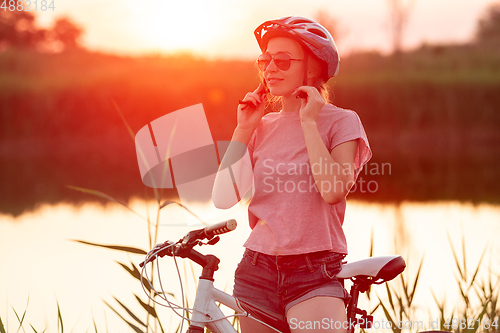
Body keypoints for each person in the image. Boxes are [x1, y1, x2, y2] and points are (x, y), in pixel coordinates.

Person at [212, 16, 372, 333]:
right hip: (256, 270)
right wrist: (243, 129)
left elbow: (332, 190)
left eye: (282, 60)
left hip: (314, 272)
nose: (270, 68)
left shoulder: (342, 122)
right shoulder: (260, 126)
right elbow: (222, 198)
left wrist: (309, 122)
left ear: (312, 68)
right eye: (264, 60)